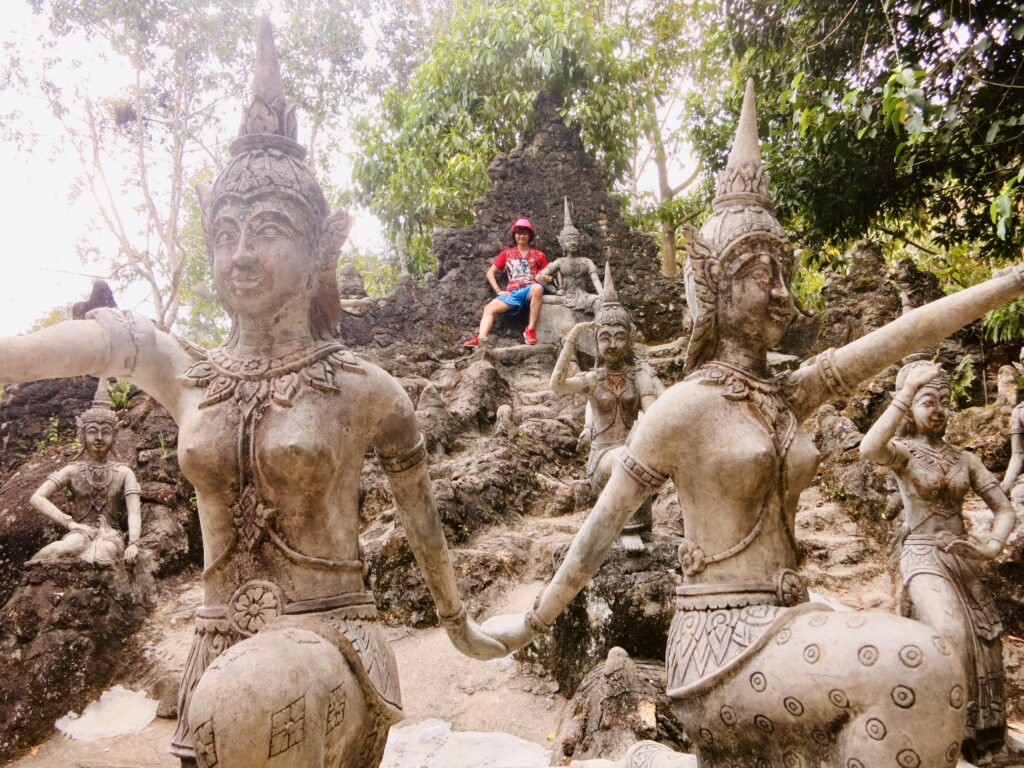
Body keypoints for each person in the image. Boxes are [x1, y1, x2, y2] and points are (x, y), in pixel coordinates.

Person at [475, 80, 1024, 768]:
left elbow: (903, 334)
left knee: (923, 661)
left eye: (784, 270)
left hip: (789, 617)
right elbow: (596, 534)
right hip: (719, 647)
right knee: (917, 667)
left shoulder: (788, 392)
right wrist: (521, 627)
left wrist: (1009, 282)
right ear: (711, 284)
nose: (781, 292)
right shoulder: (683, 407)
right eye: (761, 270)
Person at [0, 18, 502, 768]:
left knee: (252, 705)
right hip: (216, 651)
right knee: (233, 708)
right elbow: (111, 338)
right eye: (225, 231)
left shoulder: (365, 390)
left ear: (320, 247)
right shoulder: (188, 373)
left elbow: (423, 524)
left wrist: (458, 623)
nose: (240, 254)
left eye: (266, 228)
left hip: (328, 641)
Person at [861, 360, 1012, 761]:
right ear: (912, 407)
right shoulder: (905, 453)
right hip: (922, 555)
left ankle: (985, 737)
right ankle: (945, 734)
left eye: (945, 402)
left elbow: (1005, 509)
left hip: (963, 559)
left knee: (987, 640)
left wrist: (990, 547)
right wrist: (905, 393)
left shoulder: (965, 459)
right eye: (929, 401)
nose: (939, 409)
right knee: (950, 633)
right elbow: (869, 448)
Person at [550, 265, 663, 552]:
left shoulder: (639, 375)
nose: (612, 344)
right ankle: (625, 528)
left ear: (629, 339)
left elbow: (657, 414)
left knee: (638, 457)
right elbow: (557, 385)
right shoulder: (593, 378)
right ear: (596, 341)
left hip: (637, 455)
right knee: (623, 458)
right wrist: (573, 339)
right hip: (603, 458)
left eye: (619, 337)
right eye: (604, 338)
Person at [28, 378, 142, 567]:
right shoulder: (72, 470)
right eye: (92, 431)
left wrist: (134, 543)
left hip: (111, 535)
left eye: (105, 432)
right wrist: (71, 524)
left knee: (103, 554)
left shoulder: (124, 472)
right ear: (82, 435)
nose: (98, 438)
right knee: (58, 550)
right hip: (79, 532)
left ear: (114, 436)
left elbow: (134, 513)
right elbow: (37, 498)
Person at [464, 218, 550, 347]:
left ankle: (530, 329)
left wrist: (547, 278)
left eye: (525, 233)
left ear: (530, 235)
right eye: (518, 233)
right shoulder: (507, 254)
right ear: (514, 235)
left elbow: (547, 274)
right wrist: (498, 291)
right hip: (513, 293)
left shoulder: (539, 254)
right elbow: (490, 272)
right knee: (488, 308)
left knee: (537, 288)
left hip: (530, 290)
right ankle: (481, 338)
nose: (521, 236)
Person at [539, 196, 603, 312]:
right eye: (568, 240)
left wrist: (602, 294)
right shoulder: (559, 262)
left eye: (575, 239)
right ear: (562, 243)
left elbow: (596, 280)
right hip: (564, 297)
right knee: (541, 299)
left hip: (585, 296)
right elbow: (539, 277)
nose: (572, 242)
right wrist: (554, 290)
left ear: (580, 241)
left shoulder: (587, 262)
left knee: (599, 302)